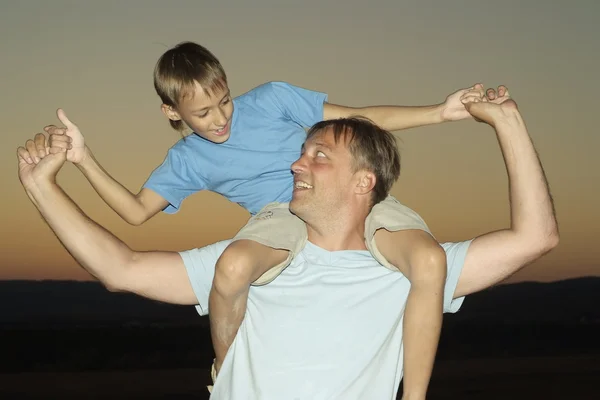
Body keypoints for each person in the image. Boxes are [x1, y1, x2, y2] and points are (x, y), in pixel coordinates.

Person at [18, 86, 558, 399]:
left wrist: (505, 120)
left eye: (319, 156)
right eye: (302, 152)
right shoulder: (261, 264)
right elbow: (122, 268)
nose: (296, 163)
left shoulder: (406, 271)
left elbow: (536, 236)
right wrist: (41, 186)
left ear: (364, 182)